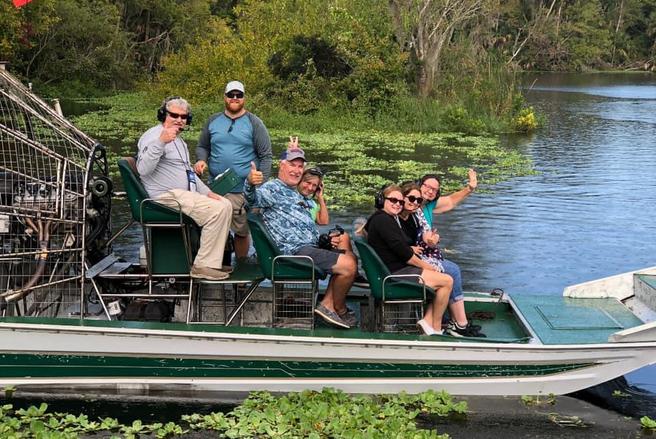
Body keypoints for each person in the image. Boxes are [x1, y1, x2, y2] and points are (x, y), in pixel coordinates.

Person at [244, 147, 358, 329]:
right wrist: (249, 183)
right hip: (293, 253)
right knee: (349, 265)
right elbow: (251, 200)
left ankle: (328, 304)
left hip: (306, 246)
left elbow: (308, 221)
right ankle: (336, 307)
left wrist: (324, 241)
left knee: (345, 244)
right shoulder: (272, 188)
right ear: (281, 166)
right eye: (292, 165)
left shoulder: (295, 192)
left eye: (300, 166)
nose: (296, 170)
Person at [137, 97, 233, 281]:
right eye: (174, 115)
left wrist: (208, 193)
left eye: (183, 117)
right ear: (163, 114)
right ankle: (202, 266)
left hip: (183, 195)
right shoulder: (153, 136)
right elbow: (143, 169)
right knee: (217, 210)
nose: (179, 120)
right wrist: (161, 142)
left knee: (225, 203)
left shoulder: (179, 142)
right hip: (165, 197)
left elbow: (190, 174)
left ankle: (212, 262)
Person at [194, 80, 272, 260]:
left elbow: (266, 155)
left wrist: (261, 184)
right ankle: (217, 269)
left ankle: (242, 273)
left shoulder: (254, 123)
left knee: (242, 232)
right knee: (213, 230)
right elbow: (202, 146)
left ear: (244, 98)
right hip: (215, 189)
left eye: (239, 95)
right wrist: (201, 159)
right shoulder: (213, 121)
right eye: (231, 95)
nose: (235, 98)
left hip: (242, 191)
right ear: (225, 97)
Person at [364, 184, 453, 335]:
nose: (397, 204)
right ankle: (435, 328)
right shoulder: (384, 222)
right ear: (382, 200)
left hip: (394, 269)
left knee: (443, 279)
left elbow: (401, 248)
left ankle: (427, 322)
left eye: (400, 201)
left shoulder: (381, 218)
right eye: (393, 200)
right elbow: (407, 256)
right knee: (447, 281)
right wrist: (429, 267)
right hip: (396, 274)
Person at [398, 182, 485, 337]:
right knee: (452, 271)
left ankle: (447, 321)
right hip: (410, 263)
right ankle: (458, 323)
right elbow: (397, 240)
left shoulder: (422, 209)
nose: (415, 201)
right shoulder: (402, 213)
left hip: (422, 254)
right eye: (427, 187)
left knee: (450, 271)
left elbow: (451, 201)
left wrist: (433, 239)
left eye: (435, 189)